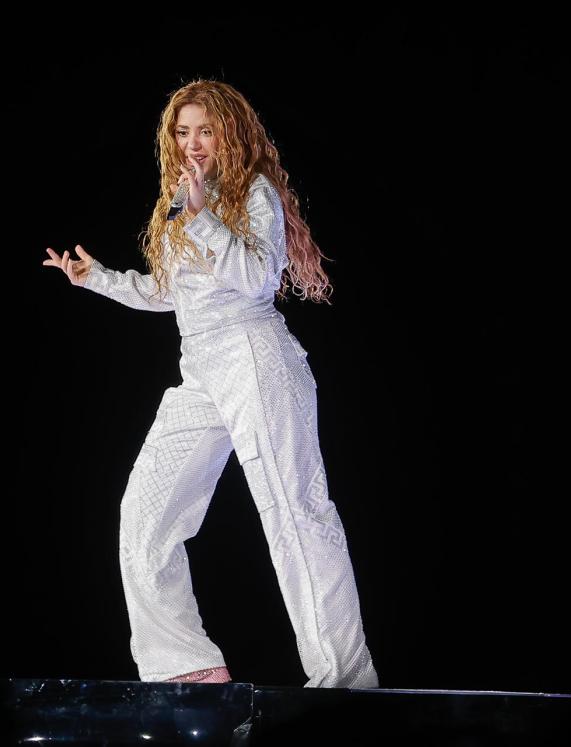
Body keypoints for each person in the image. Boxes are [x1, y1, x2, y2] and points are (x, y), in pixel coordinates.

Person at [42, 79, 379, 689]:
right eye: (183, 131)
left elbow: (256, 278)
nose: (193, 143)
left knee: (295, 513)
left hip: (256, 356)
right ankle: (186, 667)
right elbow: (168, 294)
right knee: (145, 513)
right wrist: (95, 279)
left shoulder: (253, 193)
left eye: (205, 130)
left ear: (229, 134)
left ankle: (346, 682)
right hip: (200, 371)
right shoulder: (179, 202)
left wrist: (201, 218)